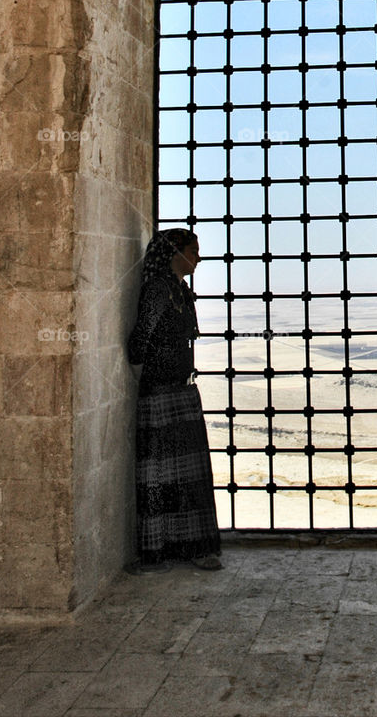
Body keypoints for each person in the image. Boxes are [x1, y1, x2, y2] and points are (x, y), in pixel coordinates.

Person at [127, 229, 222, 571]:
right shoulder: (157, 291)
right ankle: (158, 551)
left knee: (187, 475)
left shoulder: (179, 290)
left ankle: (189, 547)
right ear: (174, 253)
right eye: (192, 250)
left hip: (181, 391)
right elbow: (139, 343)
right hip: (161, 392)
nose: (198, 257)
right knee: (159, 476)